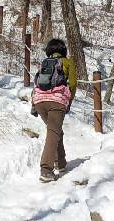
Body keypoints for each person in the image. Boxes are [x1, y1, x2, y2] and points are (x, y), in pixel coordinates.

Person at [31, 38, 77, 182]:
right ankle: (46, 170)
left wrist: (34, 104)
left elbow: (36, 83)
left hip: (39, 102)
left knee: (56, 131)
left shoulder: (44, 63)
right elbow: (73, 84)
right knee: (53, 134)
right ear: (63, 50)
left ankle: (61, 163)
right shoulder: (67, 62)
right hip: (56, 102)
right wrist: (68, 102)